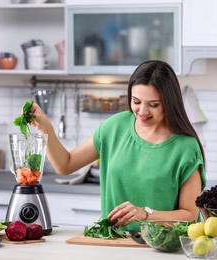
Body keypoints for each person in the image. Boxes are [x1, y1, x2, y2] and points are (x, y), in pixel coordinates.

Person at [30, 60, 206, 232]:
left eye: (153, 105)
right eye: (136, 101)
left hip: (163, 248)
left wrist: (144, 214)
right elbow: (65, 165)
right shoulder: (115, 127)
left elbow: (189, 215)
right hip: (115, 244)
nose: (143, 112)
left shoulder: (185, 147)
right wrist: (46, 128)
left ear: (169, 103)